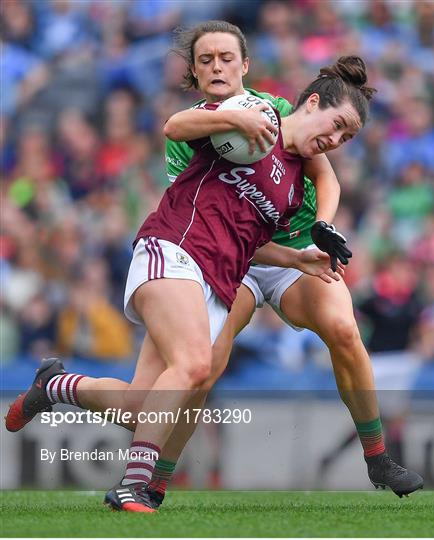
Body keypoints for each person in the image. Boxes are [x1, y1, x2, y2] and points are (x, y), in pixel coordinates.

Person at [5, 34, 367, 512]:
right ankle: (136, 484)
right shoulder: (252, 114)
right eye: (336, 125)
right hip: (174, 251)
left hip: (216, 280)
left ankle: (53, 386)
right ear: (313, 102)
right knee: (196, 365)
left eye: (347, 136)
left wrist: (296, 258)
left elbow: (250, 237)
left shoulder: (295, 188)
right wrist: (236, 114)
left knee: (142, 408)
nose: (337, 140)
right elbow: (175, 124)